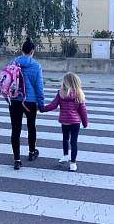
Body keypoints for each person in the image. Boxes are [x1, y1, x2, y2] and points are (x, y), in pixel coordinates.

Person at [40, 72, 88, 172]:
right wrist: (85, 122)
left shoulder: (60, 93)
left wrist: (41, 109)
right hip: (75, 123)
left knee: (65, 139)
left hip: (65, 122)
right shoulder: (79, 94)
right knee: (74, 142)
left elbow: (52, 106)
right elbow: (83, 110)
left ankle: (65, 155)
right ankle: (73, 163)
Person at [9, 37, 44, 170]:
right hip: (30, 101)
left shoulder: (13, 63)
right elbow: (39, 87)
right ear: (32, 51)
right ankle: (31, 152)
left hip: (15, 100)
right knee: (31, 126)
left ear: (22, 50)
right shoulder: (36, 66)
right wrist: (41, 104)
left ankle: (17, 159)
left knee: (15, 129)